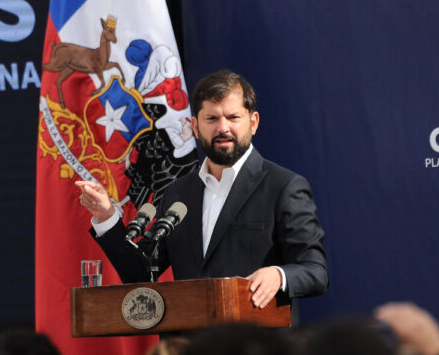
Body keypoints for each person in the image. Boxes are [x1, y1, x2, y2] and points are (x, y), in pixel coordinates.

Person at [76, 70, 328, 308]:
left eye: (233, 117)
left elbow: (315, 271)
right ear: (195, 127)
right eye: (212, 118)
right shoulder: (177, 194)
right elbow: (140, 273)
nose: (223, 128)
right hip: (189, 348)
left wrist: (278, 274)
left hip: (255, 346)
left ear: (253, 123)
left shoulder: (283, 187)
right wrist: (107, 217)